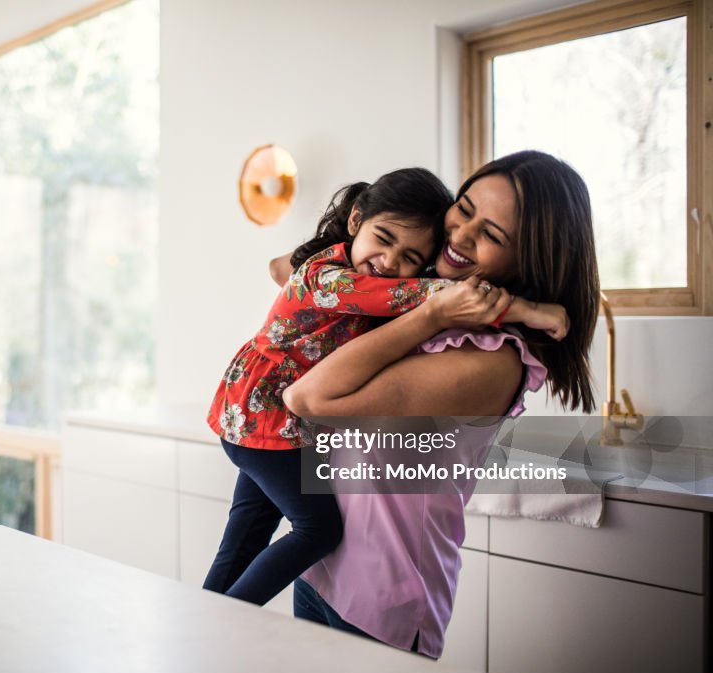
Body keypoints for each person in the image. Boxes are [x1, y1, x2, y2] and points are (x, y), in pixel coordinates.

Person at [280, 150, 599, 659]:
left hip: (380, 598)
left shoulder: (489, 359)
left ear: (530, 260)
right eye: (464, 208)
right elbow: (289, 274)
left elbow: (309, 398)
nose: (460, 235)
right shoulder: (427, 299)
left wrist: (430, 315)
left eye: (492, 235)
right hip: (322, 568)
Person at [203, 167, 567, 607]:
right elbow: (420, 297)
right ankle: (227, 620)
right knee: (315, 530)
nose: (391, 263)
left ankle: (211, 613)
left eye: (411, 257)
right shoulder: (334, 279)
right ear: (356, 221)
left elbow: (405, 292)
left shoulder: (348, 273)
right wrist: (526, 309)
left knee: (247, 532)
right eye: (385, 238)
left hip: (262, 418)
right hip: (264, 417)